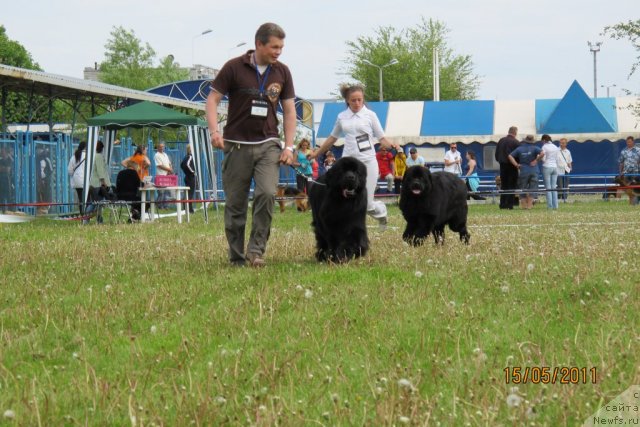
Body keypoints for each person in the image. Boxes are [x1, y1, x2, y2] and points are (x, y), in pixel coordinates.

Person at [206, 22, 296, 267]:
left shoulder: (283, 72)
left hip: (268, 144)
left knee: (266, 193)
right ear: (259, 44)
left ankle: (256, 252)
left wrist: (289, 147)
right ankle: (236, 256)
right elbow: (212, 100)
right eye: (274, 47)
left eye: (281, 47)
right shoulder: (234, 67)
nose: (279, 51)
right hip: (236, 145)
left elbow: (289, 111)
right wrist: (215, 131)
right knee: (235, 204)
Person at [308, 83, 399, 229]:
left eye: (360, 100)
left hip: (368, 162)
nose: (357, 103)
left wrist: (393, 145)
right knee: (346, 197)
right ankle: (348, 227)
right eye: (353, 100)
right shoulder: (342, 117)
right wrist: (316, 153)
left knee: (367, 204)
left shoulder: (370, 115)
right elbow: (332, 138)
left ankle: (381, 212)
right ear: (347, 101)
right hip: (348, 164)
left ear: (363, 100)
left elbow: (382, 138)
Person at [508, 135, 543, 210]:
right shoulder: (535, 148)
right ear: (532, 141)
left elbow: (510, 156)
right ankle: (529, 206)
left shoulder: (519, 149)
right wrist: (536, 160)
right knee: (533, 188)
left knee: (522, 188)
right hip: (534, 170)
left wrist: (516, 165)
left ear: (525, 140)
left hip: (523, 170)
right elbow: (543, 153)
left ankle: (524, 206)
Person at [495, 126, 521, 209]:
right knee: (512, 186)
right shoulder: (516, 142)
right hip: (512, 166)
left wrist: (500, 161)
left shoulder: (501, 140)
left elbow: (496, 154)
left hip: (502, 166)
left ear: (509, 131)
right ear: (515, 133)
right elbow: (518, 155)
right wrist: (517, 164)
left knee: (504, 185)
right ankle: (510, 204)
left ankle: (502, 204)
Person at [88, 141, 113, 223]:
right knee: (96, 203)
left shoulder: (93, 156)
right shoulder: (98, 157)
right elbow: (100, 170)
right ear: (102, 148)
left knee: (97, 203)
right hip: (98, 184)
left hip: (94, 183)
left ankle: (98, 219)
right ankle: (86, 217)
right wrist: (103, 182)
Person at [619, 136, 640, 205]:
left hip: (636, 173)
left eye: (630, 142)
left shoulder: (638, 150)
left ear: (633, 142)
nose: (628, 143)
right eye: (627, 142)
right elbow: (621, 162)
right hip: (626, 173)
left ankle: (635, 202)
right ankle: (631, 202)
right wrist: (620, 172)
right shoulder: (623, 151)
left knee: (636, 188)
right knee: (628, 189)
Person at [540, 134, 559, 209]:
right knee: (554, 187)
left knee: (548, 187)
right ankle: (556, 205)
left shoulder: (544, 147)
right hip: (555, 167)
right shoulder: (555, 147)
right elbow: (557, 158)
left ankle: (550, 206)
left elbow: (543, 158)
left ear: (544, 140)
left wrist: (540, 159)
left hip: (547, 167)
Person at [67, 141, 87, 214]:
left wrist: (75, 174)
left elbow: (69, 170)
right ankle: (87, 212)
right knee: (87, 197)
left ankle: (82, 212)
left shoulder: (74, 156)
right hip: (86, 180)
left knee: (80, 197)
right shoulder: (88, 156)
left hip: (77, 180)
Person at [154, 142, 174, 209]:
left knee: (167, 191)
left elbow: (169, 163)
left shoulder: (165, 154)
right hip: (160, 175)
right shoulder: (157, 155)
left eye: (163, 146)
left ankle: (166, 206)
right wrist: (169, 169)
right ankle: (158, 205)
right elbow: (159, 165)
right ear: (158, 147)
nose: (162, 148)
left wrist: (170, 169)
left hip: (167, 175)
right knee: (161, 192)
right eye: (160, 146)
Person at [36, 147, 53, 215]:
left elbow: (51, 170)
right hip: (38, 179)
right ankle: (40, 208)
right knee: (39, 193)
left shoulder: (47, 160)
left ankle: (46, 208)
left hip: (45, 180)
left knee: (46, 193)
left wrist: (45, 177)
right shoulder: (36, 160)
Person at [181, 145, 196, 214]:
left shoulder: (185, 157)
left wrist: (186, 172)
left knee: (188, 193)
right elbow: (187, 165)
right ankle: (190, 209)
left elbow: (181, 165)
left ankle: (186, 208)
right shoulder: (190, 156)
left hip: (187, 177)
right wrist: (193, 171)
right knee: (190, 194)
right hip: (190, 177)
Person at [0, 146, 14, 210]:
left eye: (2, 152)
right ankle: (2, 211)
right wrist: (4, 168)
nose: (1, 153)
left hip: (8, 181)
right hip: (1, 181)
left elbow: (8, 170)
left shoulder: (10, 160)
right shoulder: (1, 160)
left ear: (6, 152)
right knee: (1, 197)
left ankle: (10, 210)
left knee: (9, 196)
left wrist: (3, 168)